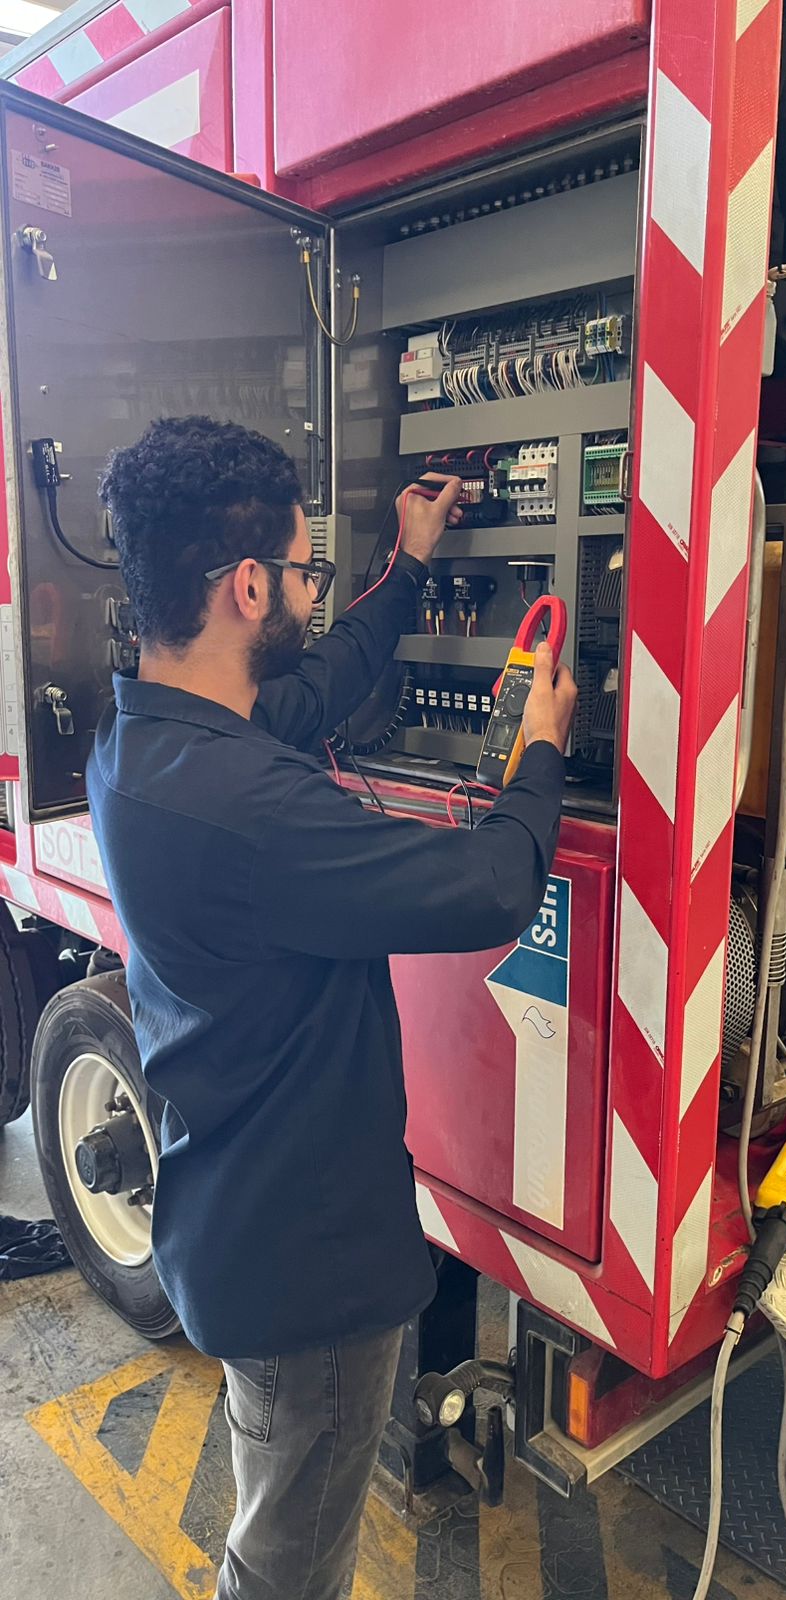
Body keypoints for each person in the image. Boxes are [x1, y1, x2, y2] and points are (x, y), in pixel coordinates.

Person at [87, 415, 576, 1600]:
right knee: (290, 1564)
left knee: (279, 1518)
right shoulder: (251, 809)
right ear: (247, 583)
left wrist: (404, 568)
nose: (311, 591)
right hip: (309, 1275)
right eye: (306, 571)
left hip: (238, 1227)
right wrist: (540, 750)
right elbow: (490, 886)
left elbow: (316, 685)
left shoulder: (141, 745)